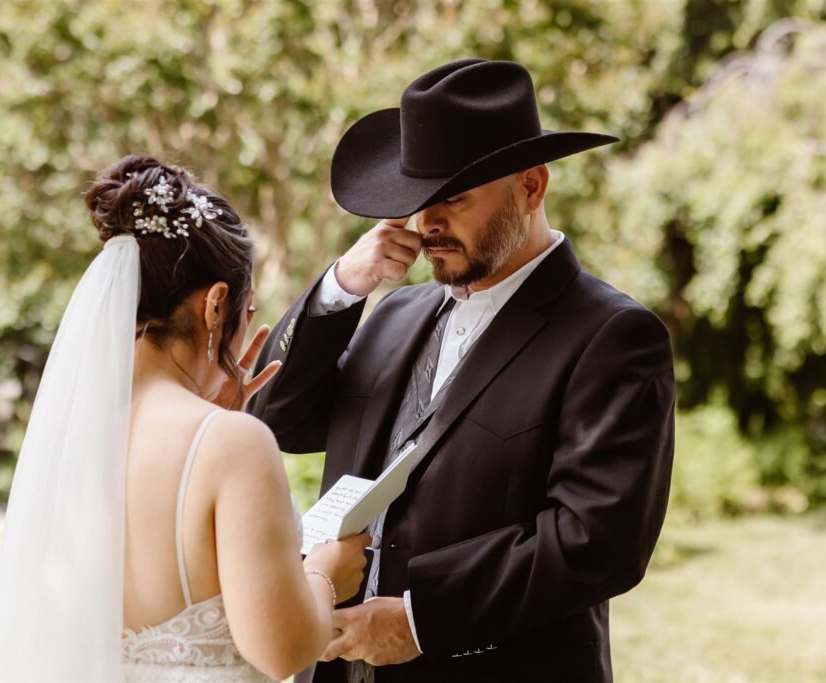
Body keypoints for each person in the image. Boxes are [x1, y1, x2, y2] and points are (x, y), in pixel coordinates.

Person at [249, 59, 676, 683]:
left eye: (453, 197)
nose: (427, 224)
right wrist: (341, 289)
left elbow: (598, 541)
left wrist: (420, 620)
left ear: (531, 187)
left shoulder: (612, 335)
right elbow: (279, 419)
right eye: (419, 200)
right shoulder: (393, 310)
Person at [0, 155, 369, 682]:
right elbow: (283, 652)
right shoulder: (234, 445)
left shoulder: (74, 433)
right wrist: (324, 574)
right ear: (216, 305)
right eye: (246, 314)